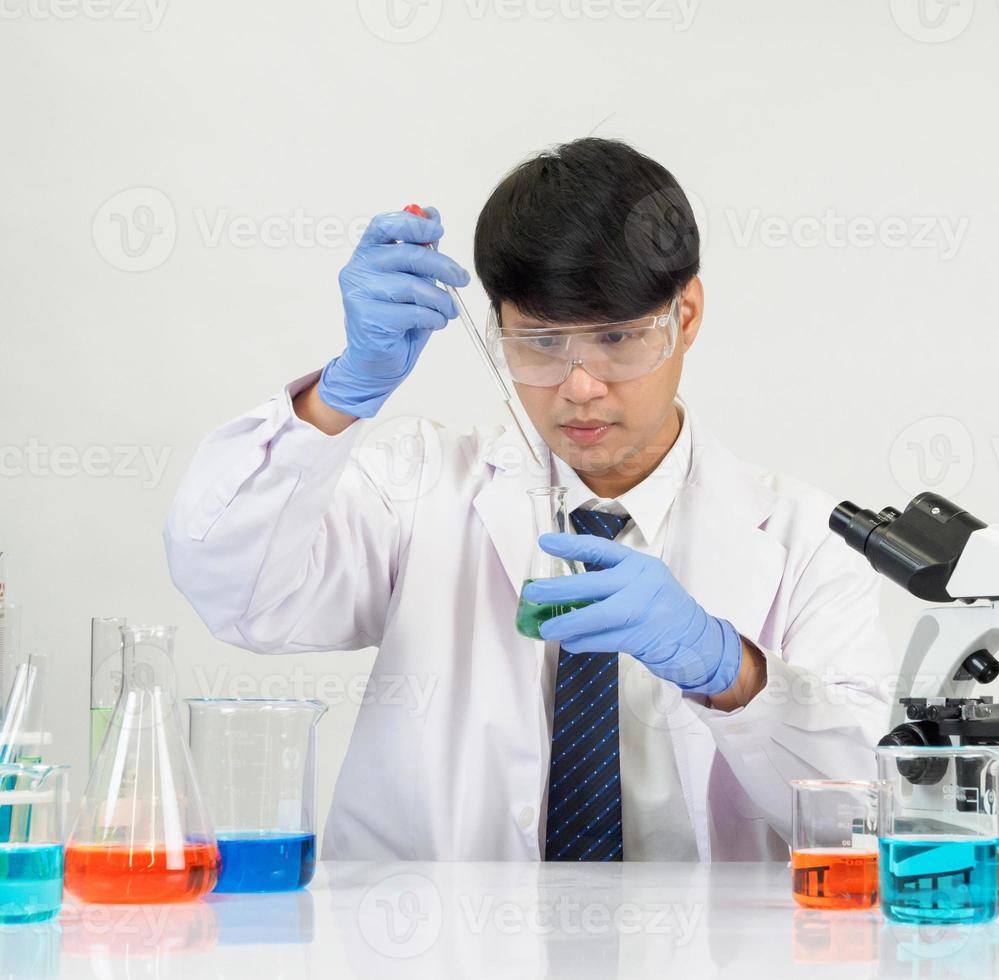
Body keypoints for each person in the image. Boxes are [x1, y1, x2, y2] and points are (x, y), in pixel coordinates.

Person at [164, 137, 892, 861]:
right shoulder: (418, 484)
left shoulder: (808, 541)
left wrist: (731, 672)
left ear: (687, 316)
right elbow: (237, 591)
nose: (579, 385)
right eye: (540, 341)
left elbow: (861, 814)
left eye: (615, 337)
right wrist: (338, 395)